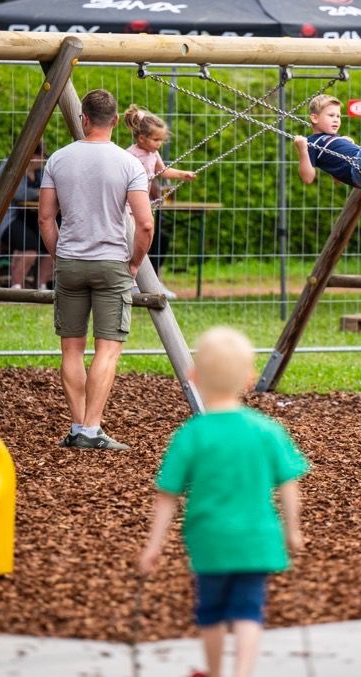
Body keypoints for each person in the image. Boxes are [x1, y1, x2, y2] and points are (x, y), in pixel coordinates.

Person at [139, 326, 308, 677]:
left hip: (210, 540)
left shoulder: (191, 435)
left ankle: (215, 672)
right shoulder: (267, 430)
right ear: (249, 379)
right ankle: (242, 673)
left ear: (193, 376)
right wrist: (293, 531)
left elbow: (167, 495)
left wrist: (153, 545)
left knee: (211, 611)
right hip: (258, 539)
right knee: (249, 610)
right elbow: (289, 484)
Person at [38, 89, 153, 451]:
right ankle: (91, 429)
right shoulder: (129, 163)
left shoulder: (57, 159)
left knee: (71, 350)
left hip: (70, 262)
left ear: (83, 119)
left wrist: (60, 257)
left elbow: (45, 218)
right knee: (108, 349)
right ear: (116, 120)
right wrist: (134, 263)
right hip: (112, 262)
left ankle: (77, 427)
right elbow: (145, 224)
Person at [123, 104, 196, 298]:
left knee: (147, 238)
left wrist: (182, 174)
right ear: (141, 138)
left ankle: (140, 277)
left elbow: (162, 171)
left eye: (161, 140)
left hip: (143, 205)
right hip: (128, 205)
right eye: (156, 140)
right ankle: (129, 280)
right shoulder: (130, 155)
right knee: (131, 240)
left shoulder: (153, 154)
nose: (159, 144)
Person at [0, 143, 53, 290]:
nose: (44, 160)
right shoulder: (11, 166)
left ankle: (41, 285)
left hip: (29, 216)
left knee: (52, 240)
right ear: (32, 156)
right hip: (3, 218)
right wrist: (40, 192)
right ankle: (16, 286)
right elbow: (18, 193)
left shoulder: (39, 173)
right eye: (42, 156)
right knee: (29, 245)